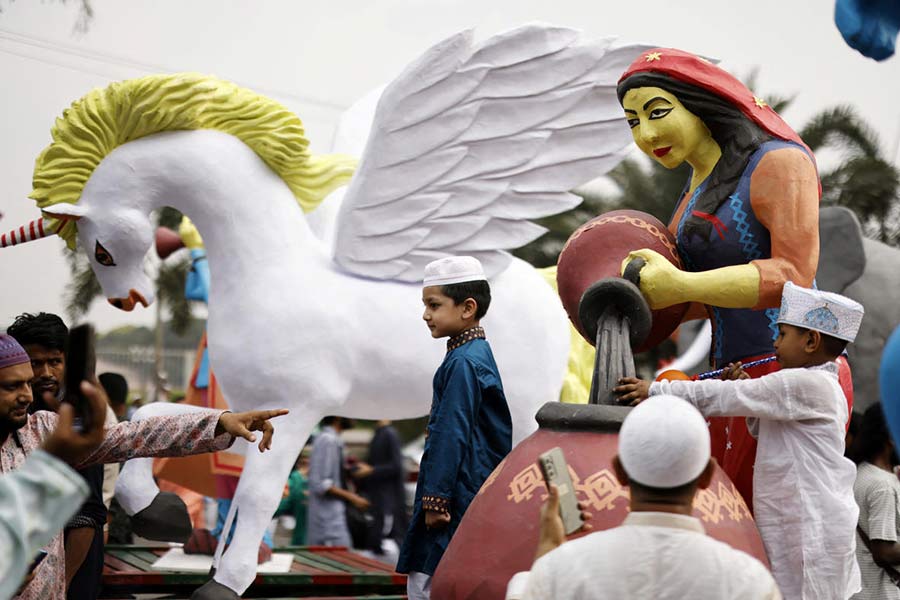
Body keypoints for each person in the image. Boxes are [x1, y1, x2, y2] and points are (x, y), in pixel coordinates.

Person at [615, 48, 854, 506]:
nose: (646, 134)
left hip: (792, 378)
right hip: (727, 383)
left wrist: (680, 287)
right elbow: (700, 296)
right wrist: (626, 304)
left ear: (701, 103)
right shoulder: (696, 189)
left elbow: (793, 276)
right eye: (632, 122)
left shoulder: (780, 163)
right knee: (726, 523)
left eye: (657, 113)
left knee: (782, 529)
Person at [615, 282, 863, 599]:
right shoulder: (807, 385)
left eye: (783, 334)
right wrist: (748, 395)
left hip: (809, 523)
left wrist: (654, 390)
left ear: (811, 341)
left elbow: (722, 395)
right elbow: (767, 427)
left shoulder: (807, 383)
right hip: (800, 518)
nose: (775, 343)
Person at [0, 332, 288, 600]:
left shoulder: (43, 432)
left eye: (27, 383)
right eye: (11, 386)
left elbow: (134, 437)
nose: (26, 395)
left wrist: (220, 422)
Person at [507, 395, 780, 600]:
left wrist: (547, 551)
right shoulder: (749, 582)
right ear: (708, 475)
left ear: (619, 471)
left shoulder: (561, 571)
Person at [397, 256, 513, 600]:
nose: (425, 314)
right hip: (468, 488)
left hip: (457, 492)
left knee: (429, 583)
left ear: (467, 308)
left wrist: (436, 499)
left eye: (434, 305)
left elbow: (452, 431)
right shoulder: (472, 353)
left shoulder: (464, 361)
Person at [7, 313, 106, 599]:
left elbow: (85, 517)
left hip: (68, 572)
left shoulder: (73, 421)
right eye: (36, 363)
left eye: (55, 361)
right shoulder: (15, 418)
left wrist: (61, 584)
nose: (46, 372)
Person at [850, 403, 900, 599]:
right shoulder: (883, 486)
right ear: (890, 437)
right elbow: (883, 551)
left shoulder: (859, 472)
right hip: (883, 594)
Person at [306, 417, 370, 547]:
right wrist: (353, 498)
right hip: (328, 522)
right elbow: (321, 484)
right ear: (338, 417)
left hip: (333, 518)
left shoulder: (334, 440)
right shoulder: (328, 440)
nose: (355, 418)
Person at [352, 420, 408, 558]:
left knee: (388, 538)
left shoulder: (389, 434)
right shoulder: (378, 434)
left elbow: (396, 466)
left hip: (388, 499)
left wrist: (371, 470)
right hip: (378, 497)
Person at [275, 452, 309, 546]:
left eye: (310, 464)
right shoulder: (295, 479)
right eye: (303, 464)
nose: (306, 469)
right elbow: (281, 506)